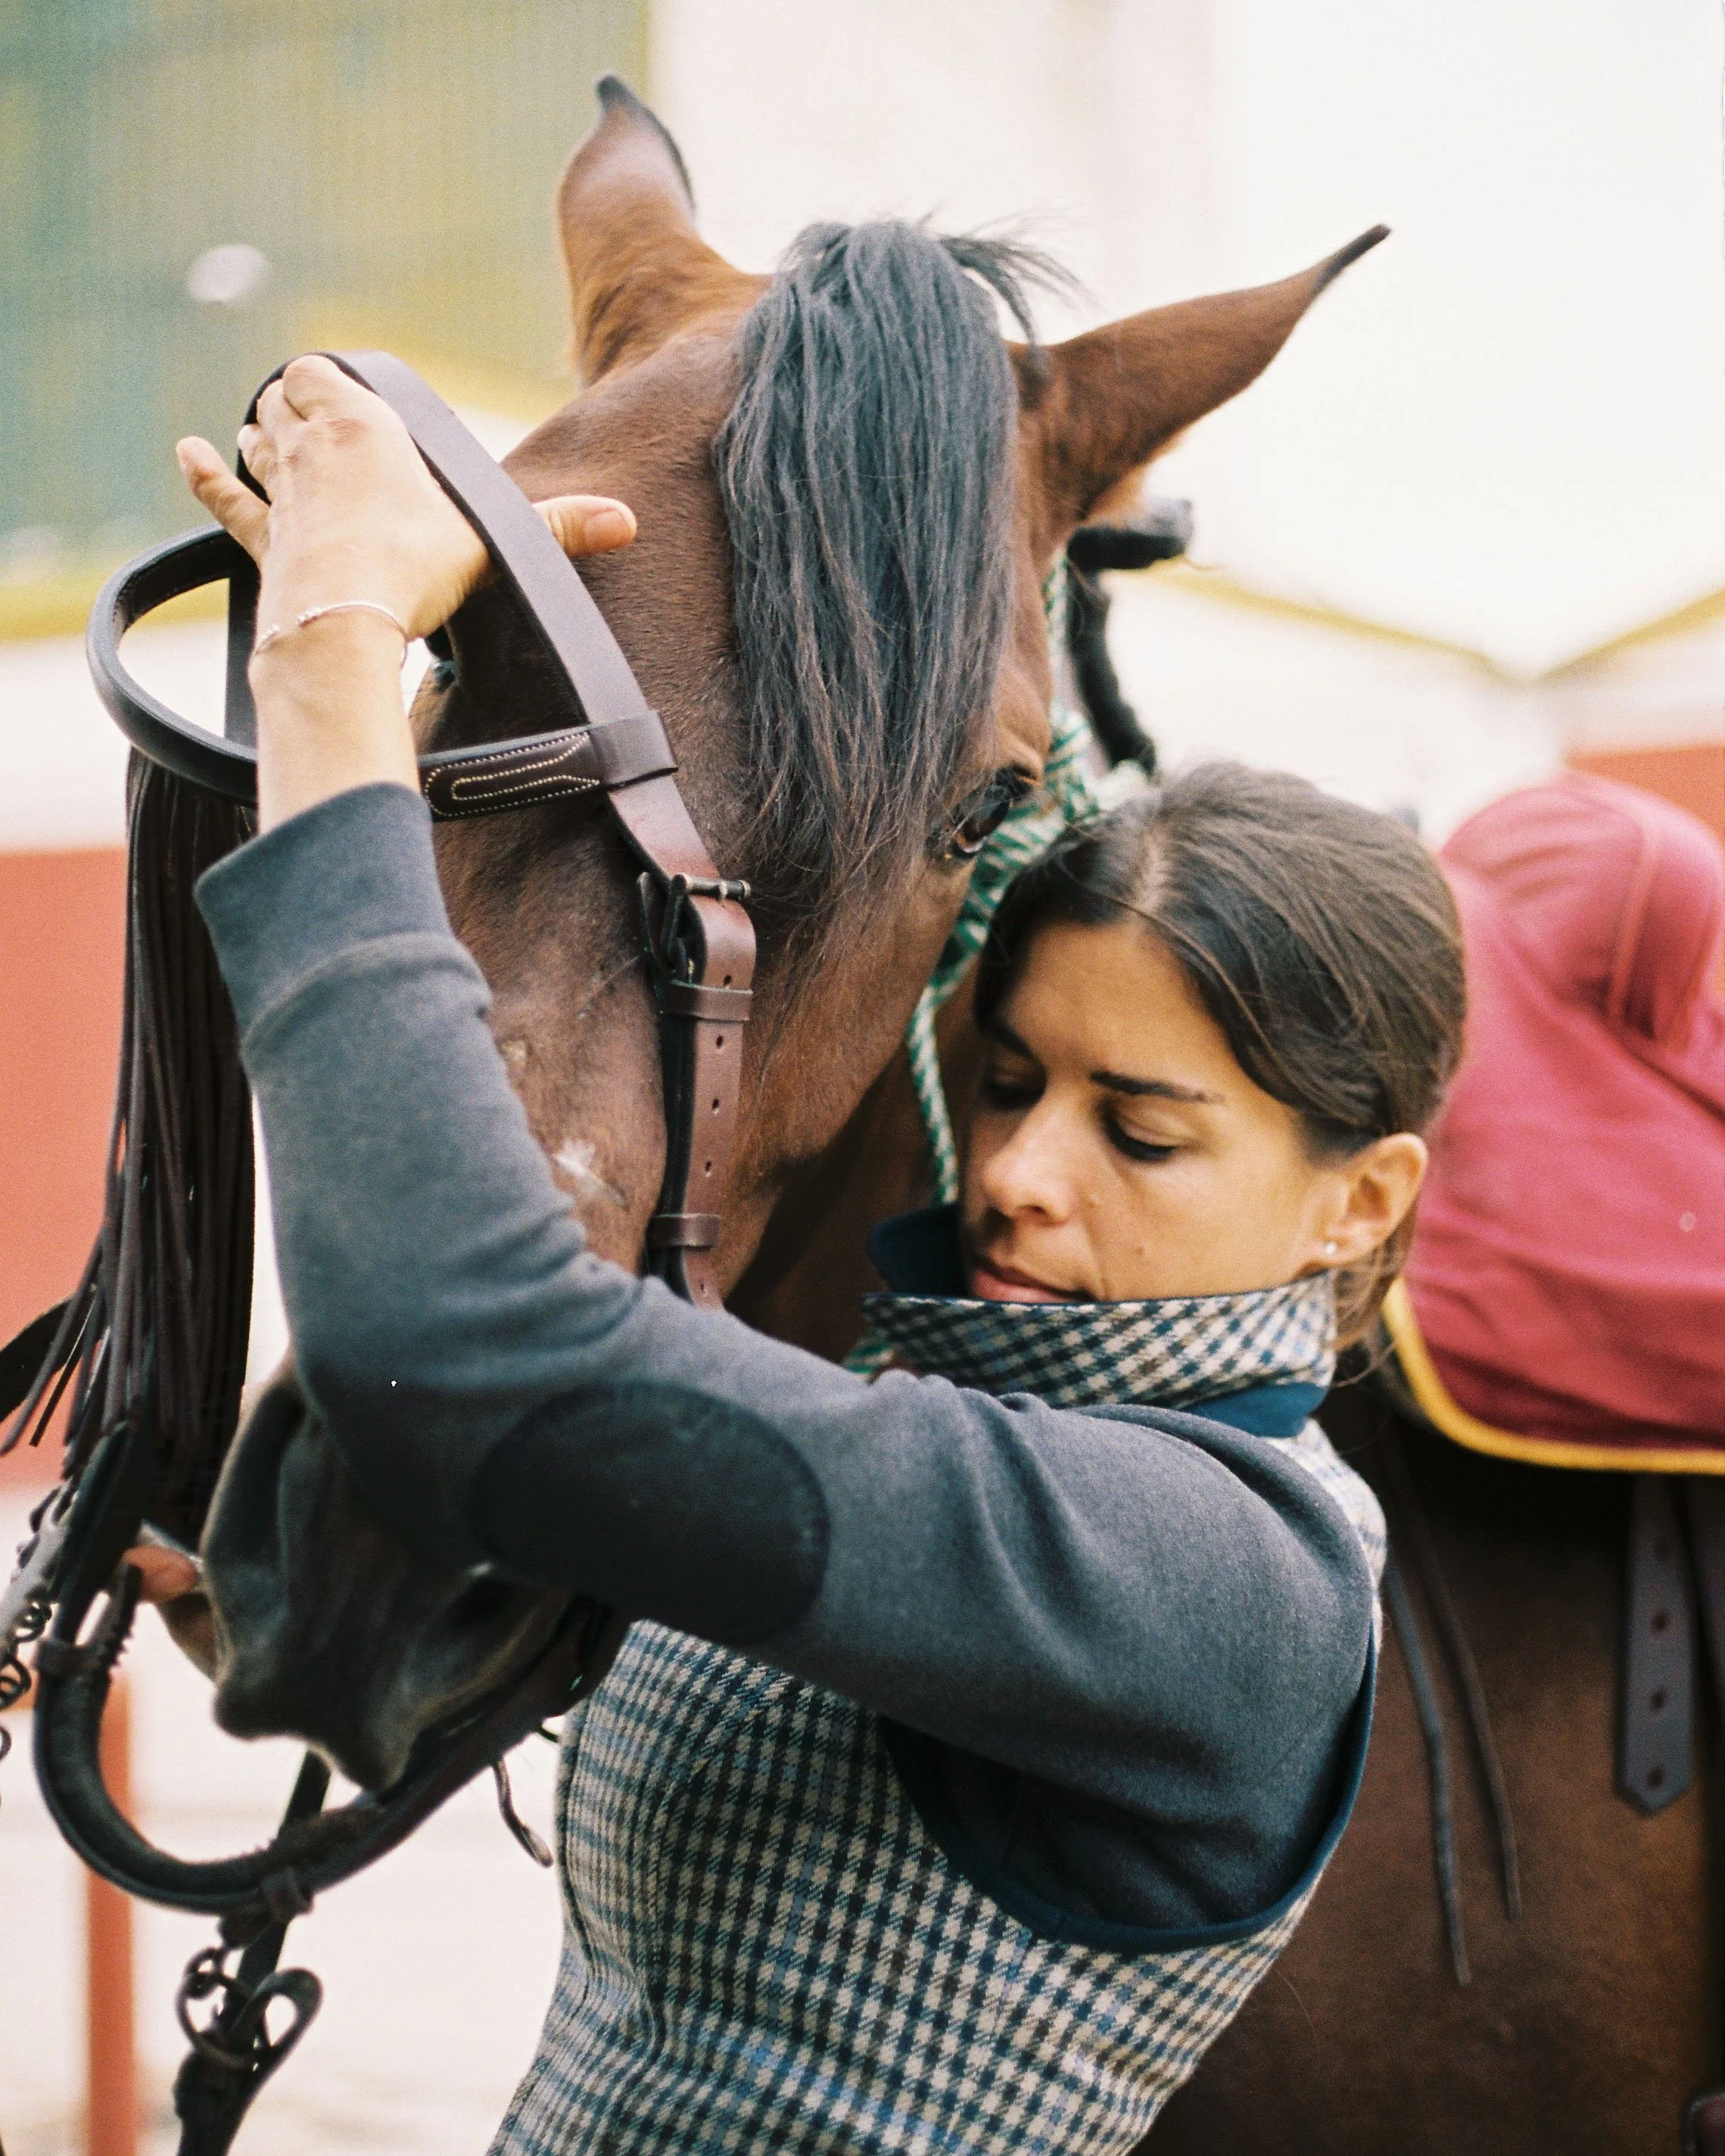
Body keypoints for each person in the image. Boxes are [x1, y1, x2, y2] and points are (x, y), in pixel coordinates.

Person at [152, 356, 1463, 2152]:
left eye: (1139, 1129)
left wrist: (334, 649)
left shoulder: (1218, 1575)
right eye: (1004, 1082)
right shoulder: (906, 1397)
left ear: (1358, 1200)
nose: (1014, 1172)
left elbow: (461, 1349)